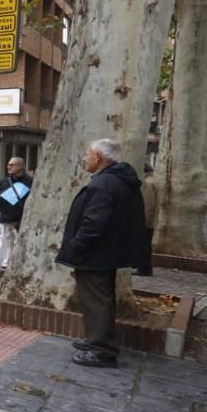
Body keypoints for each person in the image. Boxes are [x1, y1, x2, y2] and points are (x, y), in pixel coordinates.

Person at [55, 138, 147, 367]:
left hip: (95, 255)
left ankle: (102, 349)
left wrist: (74, 245)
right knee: (99, 300)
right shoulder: (116, 180)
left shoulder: (104, 184)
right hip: (105, 253)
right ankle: (96, 339)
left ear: (98, 157)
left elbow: (94, 223)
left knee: (97, 301)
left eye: (87, 154)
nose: (84, 158)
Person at [0, 156, 32, 269]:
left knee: (23, 242)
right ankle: (7, 262)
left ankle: (23, 263)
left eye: (12, 165)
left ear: (20, 166)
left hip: (22, 218)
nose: (8, 166)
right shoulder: (4, 181)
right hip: (6, 217)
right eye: (8, 164)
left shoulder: (30, 181)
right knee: (6, 240)